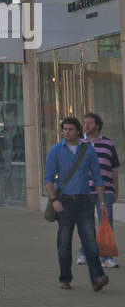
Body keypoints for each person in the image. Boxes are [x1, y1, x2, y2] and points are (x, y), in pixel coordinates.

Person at [44, 116, 108, 291]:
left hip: (84, 201)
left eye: (70, 129)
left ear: (78, 131)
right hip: (64, 201)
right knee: (64, 242)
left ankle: (97, 278)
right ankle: (65, 278)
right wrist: (54, 200)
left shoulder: (88, 150)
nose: (67, 132)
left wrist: (102, 204)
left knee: (90, 242)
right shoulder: (56, 150)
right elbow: (48, 178)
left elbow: (97, 177)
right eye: (64, 129)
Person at [78, 112, 120, 270]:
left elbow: (114, 168)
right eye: (85, 123)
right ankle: (85, 253)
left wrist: (116, 189)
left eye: (89, 123)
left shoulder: (108, 144)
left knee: (106, 224)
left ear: (97, 125)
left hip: (106, 189)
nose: (86, 126)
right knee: (86, 223)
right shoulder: (79, 143)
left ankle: (107, 258)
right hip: (85, 190)